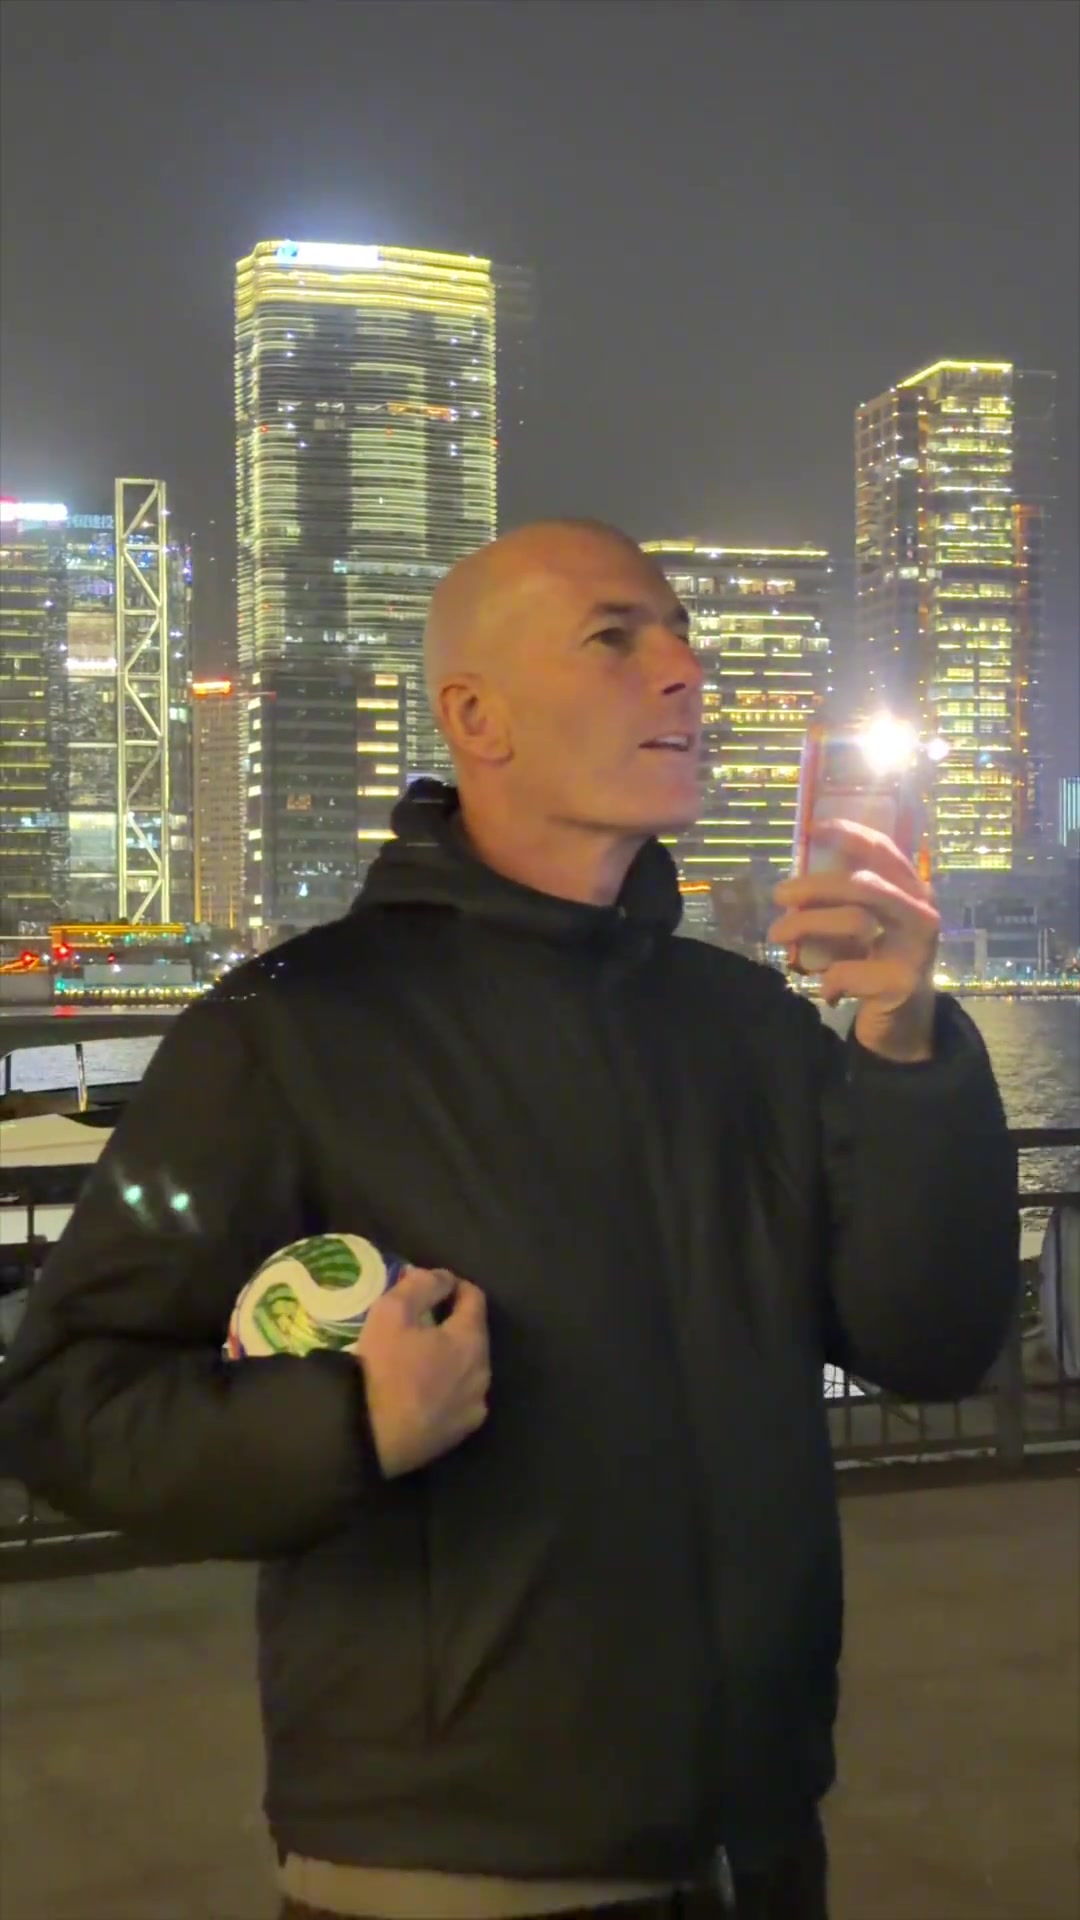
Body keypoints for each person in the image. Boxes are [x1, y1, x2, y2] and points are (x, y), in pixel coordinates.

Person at [0, 522, 1018, 1920]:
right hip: (445, 1869)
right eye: (615, 638)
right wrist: (347, 1424)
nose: (685, 670)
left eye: (682, 635)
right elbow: (67, 1399)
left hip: (760, 1847)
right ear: (475, 719)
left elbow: (931, 1341)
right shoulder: (290, 1030)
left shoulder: (746, 1026)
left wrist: (906, 1048)